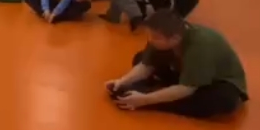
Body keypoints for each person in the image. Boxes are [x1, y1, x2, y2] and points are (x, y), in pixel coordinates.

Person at [106, 10, 248, 119]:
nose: (150, 40)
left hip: (215, 82)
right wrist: (122, 81)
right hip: (184, 70)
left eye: (155, 37)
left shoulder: (201, 45)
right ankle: (159, 92)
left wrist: (144, 101)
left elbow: (187, 88)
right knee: (139, 58)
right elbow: (146, 65)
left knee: (222, 100)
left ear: (175, 38)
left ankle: (158, 97)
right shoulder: (164, 38)